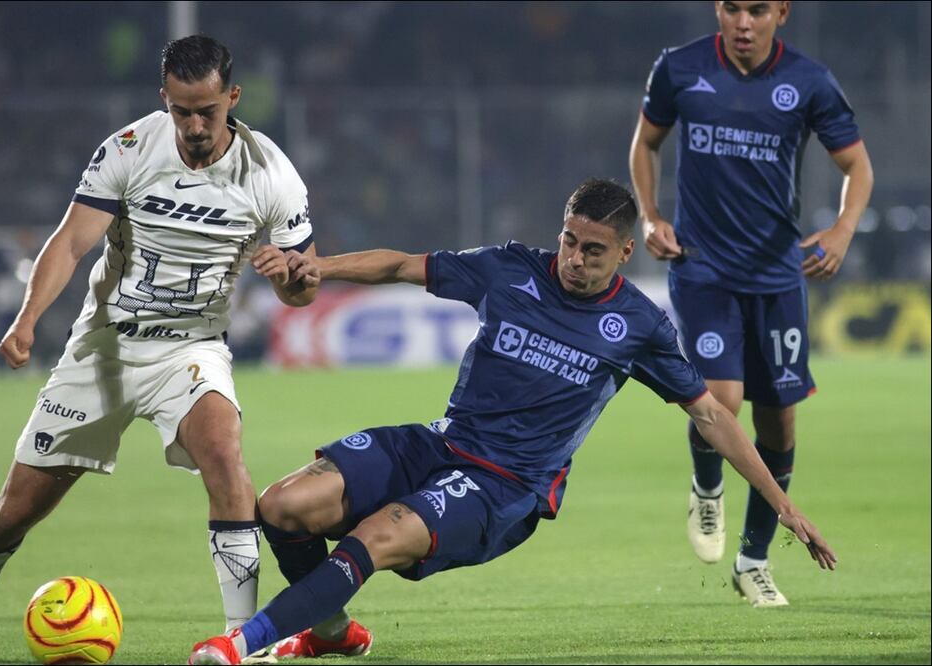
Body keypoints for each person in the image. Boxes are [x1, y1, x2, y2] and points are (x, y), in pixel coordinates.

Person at [186, 179, 837, 665]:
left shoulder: (638, 326)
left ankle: (242, 645)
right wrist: (319, 267)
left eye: (591, 250)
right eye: (567, 241)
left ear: (623, 252)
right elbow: (402, 265)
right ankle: (329, 633)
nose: (573, 258)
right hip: (444, 442)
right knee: (282, 505)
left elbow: (712, 415)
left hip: (506, 486)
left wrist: (780, 504)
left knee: (373, 537)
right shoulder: (509, 269)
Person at [0, 35, 319, 660]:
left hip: (191, 350)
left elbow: (304, 287)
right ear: (163, 99)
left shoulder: (271, 172)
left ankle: (241, 643)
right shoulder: (130, 149)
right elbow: (69, 243)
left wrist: (289, 279)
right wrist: (28, 317)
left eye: (208, 111)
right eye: (181, 111)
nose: (195, 126)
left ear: (233, 97)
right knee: (15, 512)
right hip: (104, 348)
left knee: (225, 455)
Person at [628, 0, 873, 607]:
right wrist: (651, 216)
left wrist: (842, 230)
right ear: (718, 9)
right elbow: (645, 144)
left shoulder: (809, 81)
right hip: (702, 267)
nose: (743, 21)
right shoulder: (679, 68)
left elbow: (856, 165)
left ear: (781, 13)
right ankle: (707, 486)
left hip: (777, 275)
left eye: (757, 9)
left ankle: (753, 561)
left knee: (780, 420)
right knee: (724, 400)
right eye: (731, 7)